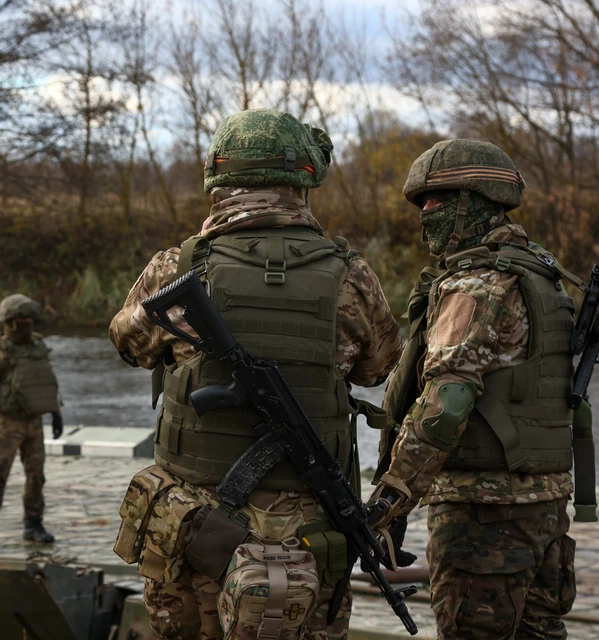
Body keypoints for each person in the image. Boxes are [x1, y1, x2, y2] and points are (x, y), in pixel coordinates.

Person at [108, 109, 402, 640]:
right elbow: (378, 369)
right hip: (306, 541)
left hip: (191, 525)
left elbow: (130, 344)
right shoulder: (350, 275)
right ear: (303, 181)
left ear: (219, 180)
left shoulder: (177, 266)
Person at [369, 139, 578, 639]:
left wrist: (390, 499)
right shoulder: (542, 274)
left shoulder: (476, 284)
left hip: (483, 518)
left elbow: (448, 404)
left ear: (470, 203)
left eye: (433, 201)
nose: (424, 214)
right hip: (547, 507)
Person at [0, 294, 63, 551]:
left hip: (34, 422)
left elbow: (47, 381)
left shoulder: (37, 347)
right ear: (8, 322)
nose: (25, 324)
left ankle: (34, 524)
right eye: (20, 320)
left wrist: (55, 412)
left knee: (36, 477)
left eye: (28, 319)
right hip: (7, 423)